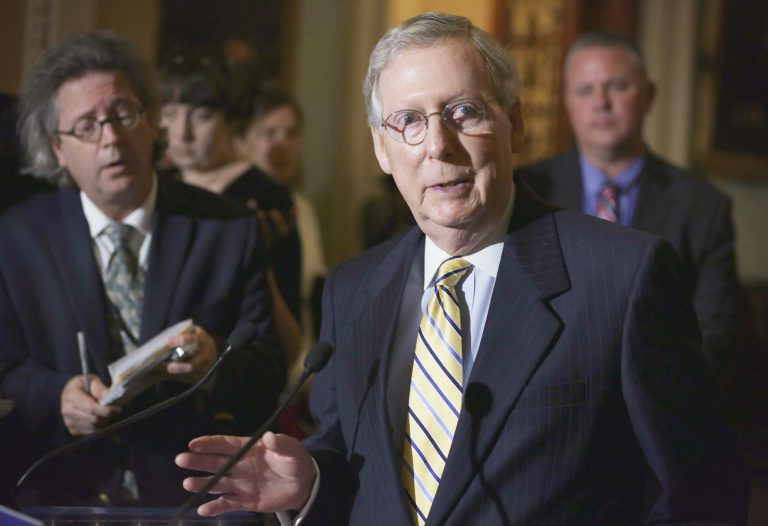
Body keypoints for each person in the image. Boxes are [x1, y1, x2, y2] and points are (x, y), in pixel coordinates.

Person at [176, 12, 748, 525]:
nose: (439, 146)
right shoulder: (352, 290)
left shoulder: (621, 276)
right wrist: (310, 485)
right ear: (383, 149)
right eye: (409, 121)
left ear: (515, 125)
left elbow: (705, 491)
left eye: (463, 111)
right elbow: (352, 459)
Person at [0, 32, 285, 506]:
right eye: (87, 126)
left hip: (193, 496)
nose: (111, 138)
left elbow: (269, 371)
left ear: (152, 122)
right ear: (57, 148)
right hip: (59, 489)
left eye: (123, 115)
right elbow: (5, 363)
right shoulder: (18, 238)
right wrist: (56, 396)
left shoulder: (226, 228)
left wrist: (213, 361)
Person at [517, 32, 739, 376]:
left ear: (649, 96)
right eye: (585, 90)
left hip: (656, 403)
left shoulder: (703, 208)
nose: (601, 102)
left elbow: (713, 337)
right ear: (566, 102)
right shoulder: (525, 191)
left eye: (618, 86)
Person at [158, 53, 303, 368]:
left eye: (201, 116)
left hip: (234, 369)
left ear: (232, 120)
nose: (182, 133)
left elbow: (287, 337)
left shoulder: (262, 196)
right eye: (169, 114)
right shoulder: (160, 186)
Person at [235, 84, 327, 380]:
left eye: (291, 133)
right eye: (269, 133)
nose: (282, 145)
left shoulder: (303, 207)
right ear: (242, 141)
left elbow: (307, 300)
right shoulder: (235, 213)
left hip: (301, 377)